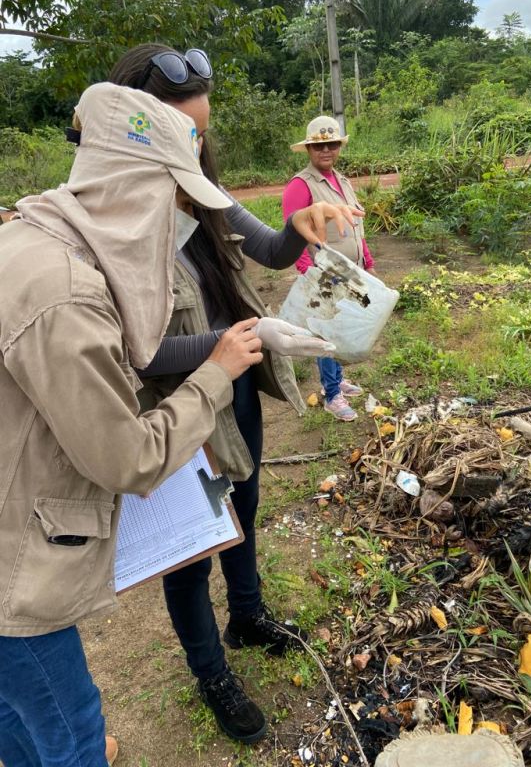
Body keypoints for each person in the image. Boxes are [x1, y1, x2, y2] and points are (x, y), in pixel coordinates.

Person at [0, 82, 272, 766]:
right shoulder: (67, 292)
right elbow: (126, 459)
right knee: (74, 731)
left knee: (15, 713)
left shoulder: (30, 237)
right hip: (13, 568)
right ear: (138, 189)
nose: (176, 218)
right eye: (172, 198)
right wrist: (216, 375)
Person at [108, 44, 363, 745]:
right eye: (183, 131)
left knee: (241, 505)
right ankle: (210, 671)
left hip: (236, 391)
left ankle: (246, 616)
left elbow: (273, 252)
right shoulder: (114, 226)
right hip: (173, 410)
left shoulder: (203, 195)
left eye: (200, 131)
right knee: (189, 548)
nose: (195, 144)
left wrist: (301, 228)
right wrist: (234, 344)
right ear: (135, 131)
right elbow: (138, 350)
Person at [283, 115, 376, 422]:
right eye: (319, 146)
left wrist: (367, 260)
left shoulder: (344, 181)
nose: (327, 151)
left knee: (342, 327)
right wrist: (309, 271)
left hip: (351, 271)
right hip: (325, 274)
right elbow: (293, 231)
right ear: (309, 149)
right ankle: (331, 394)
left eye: (332, 144)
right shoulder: (301, 185)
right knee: (325, 331)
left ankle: (338, 379)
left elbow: (354, 226)